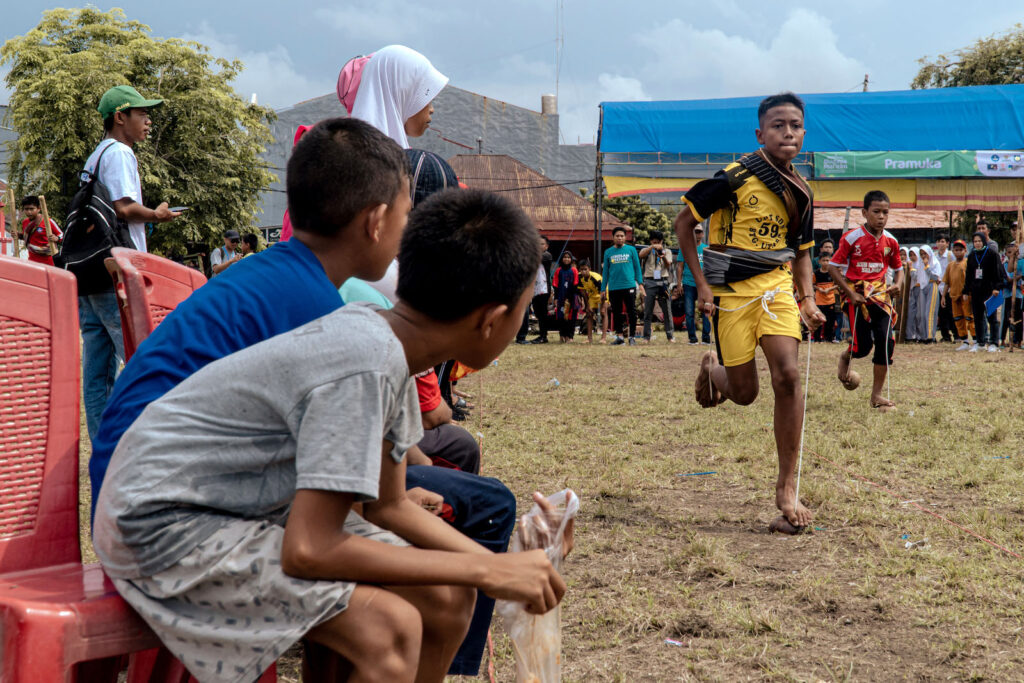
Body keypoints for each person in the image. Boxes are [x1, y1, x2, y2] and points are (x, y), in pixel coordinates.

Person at [93, 186, 568, 683]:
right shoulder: (366, 361)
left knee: (449, 599)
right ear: (492, 321)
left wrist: (506, 568)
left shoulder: (390, 344)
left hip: (234, 507)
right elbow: (311, 548)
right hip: (160, 523)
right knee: (391, 629)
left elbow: (389, 506)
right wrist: (487, 569)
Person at [675, 92, 824, 531]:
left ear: (804, 133)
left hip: (776, 290)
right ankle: (713, 369)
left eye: (795, 125)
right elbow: (684, 225)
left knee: (789, 376)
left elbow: (800, 252)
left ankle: (786, 487)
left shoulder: (802, 190)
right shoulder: (733, 178)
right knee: (744, 394)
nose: (788, 133)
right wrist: (702, 284)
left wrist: (808, 298)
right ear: (760, 133)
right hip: (732, 295)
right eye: (778, 125)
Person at [78, 85, 179, 443]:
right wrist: (158, 214)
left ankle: (106, 445)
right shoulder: (120, 152)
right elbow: (123, 208)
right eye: (141, 113)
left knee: (96, 371)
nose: (148, 121)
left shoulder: (95, 156)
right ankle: (143, 443)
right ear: (120, 117)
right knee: (141, 362)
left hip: (89, 272)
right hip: (117, 271)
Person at [828, 190, 903, 409]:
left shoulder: (891, 241)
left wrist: (897, 285)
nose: (881, 217)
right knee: (863, 347)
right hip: (857, 298)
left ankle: (877, 396)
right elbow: (833, 268)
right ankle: (846, 356)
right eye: (876, 211)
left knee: (886, 340)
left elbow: (899, 270)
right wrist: (850, 294)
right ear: (864, 212)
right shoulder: (851, 238)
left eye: (885, 212)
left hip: (880, 297)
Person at [601, 226, 645, 346]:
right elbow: (605, 272)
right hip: (614, 287)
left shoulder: (631, 250)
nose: (620, 238)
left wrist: (640, 284)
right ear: (613, 237)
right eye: (617, 236)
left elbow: (637, 268)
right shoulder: (608, 252)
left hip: (629, 285)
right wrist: (603, 289)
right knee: (617, 312)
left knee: (631, 311)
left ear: (625, 237)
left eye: (622, 236)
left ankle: (631, 337)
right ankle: (620, 337)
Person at [967, 231, 1003, 353]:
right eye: (975, 241)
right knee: (978, 317)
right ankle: (980, 342)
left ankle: (994, 342)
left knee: (992, 317)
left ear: (984, 242)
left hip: (990, 290)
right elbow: (968, 274)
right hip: (976, 290)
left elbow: (997, 272)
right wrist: (966, 290)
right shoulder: (972, 255)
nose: (977, 243)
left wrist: (997, 287)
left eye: (979, 241)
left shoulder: (992, 254)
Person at [676, 224, 711, 345]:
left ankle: (706, 338)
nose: (697, 234)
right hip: (688, 283)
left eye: (699, 232)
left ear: (702, 234)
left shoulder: (707, 249)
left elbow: (711, 267)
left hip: (704, 285)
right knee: (689, 311)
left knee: (706, 311)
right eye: (695, 231)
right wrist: (679, 284)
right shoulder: (685, 248)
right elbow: (679, 266)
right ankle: (692, 338)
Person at [638, 229, 675, 342]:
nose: (656, 244)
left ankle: (670, 336)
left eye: (658, 242)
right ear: (650, 241)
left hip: (663, 281)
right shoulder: (647, 250)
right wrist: (651, 248)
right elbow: (640, 255)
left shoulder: (667, 251)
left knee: (667, 310)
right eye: (654, 242)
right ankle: (646, 337)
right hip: (649, 281)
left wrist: (662, 254)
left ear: (661, 241)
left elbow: (668, 264)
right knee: (648, 310)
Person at [942, 240, 976, 350]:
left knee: (969, 317)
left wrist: (969, 292)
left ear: (965, 251)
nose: (958, 252)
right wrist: (943, 296)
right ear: (952, 251)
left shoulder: (967, 263)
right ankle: (964, 340)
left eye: (960, 250)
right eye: (956, 250)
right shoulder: (950, 265)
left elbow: (971, 279)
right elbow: (947, 282)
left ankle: (975, 340)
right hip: (953, 296)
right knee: (958, 318)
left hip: (965, 296)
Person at [18, 195, 62, 265]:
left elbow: (62, 235)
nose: (29, 212)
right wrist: (18, 235)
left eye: (32, 209)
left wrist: (56, 238)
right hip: (32, 260)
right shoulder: (25, 222)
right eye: (26, 209)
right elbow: (26, 237)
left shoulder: (48, 221)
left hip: (49, 261)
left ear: (39, 209)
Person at [551, 250, 580, 342]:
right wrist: (555, 298)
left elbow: (575, 284)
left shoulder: (574, 270)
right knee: (560, 316)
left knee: (571, 317)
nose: (566, 259)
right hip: (560, 297)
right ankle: (562, 335)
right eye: (565, 257)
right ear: (562, 259)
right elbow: (555, 285)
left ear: (571, 259)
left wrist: (570, 298)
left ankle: (570, 336)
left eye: (568, 257)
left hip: (572, 297)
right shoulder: (558, 271)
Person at [915, 245, 942, 343]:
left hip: (932, 286)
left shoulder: (935, 263)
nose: (923, 256)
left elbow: (936, 278)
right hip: (922, 287)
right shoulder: (920, 264)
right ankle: (923, 336)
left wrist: (927, 267)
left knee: (929, 313)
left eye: (925, 254)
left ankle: (931, 336)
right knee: (921, 313)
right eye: (921, 254)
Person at [812, 250, 838, 342]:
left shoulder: (833, 272)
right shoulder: (816, 273)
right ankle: (817, 339)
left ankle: (829, 338)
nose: (826, 262)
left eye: (828, 260)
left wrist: (829, 289)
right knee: (818, 319)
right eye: (824, 260)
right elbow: (813, 284)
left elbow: (838, 284)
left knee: (830, 320)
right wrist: (819, 289)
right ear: (819, 261)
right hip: (819, 300)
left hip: (831, 299)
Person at [934, 235, 955, 342]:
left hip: (949, 287)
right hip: (938, 288)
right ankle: (945, 335)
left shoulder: (951, 255)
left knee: (951, 312)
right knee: (941, 313)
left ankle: (957, 334)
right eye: (938, 241)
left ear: (947, 243)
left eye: (942, 241)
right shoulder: (934, 256)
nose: (940, 244)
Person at [577, 258, 602, 343]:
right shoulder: (579, 277)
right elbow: (583, 293)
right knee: (589, 313)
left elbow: (602, 292)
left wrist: (604, 304)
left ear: (589, 269)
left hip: (602, 292)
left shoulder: (596, 278)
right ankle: (589, 338)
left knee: (603, 312)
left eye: (585, 269)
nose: (583, 271)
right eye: (581, 269)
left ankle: (604, 338)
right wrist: (587, 306)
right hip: (592, 294)